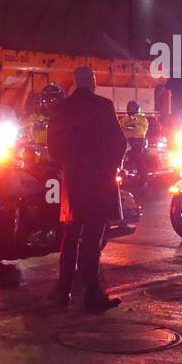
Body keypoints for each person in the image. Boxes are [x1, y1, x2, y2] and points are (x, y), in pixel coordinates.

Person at [46, 67, 127, 312]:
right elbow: (119, 142)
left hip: (73, 181)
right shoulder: (103, 105)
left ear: (75, 83)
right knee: (92, 239)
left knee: (70, 237)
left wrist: (68, 166)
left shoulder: (61, 108)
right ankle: (92, 295)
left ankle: (63, 291)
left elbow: (53, 148)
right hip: (99, 180)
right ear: (92, 82)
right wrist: (112, 166)